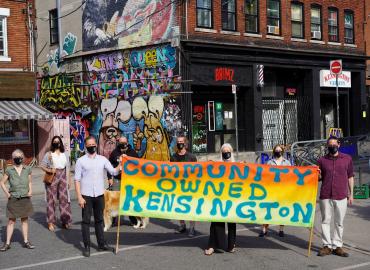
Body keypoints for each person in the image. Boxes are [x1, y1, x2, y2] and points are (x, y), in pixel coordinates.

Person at [74, 136, 122, 257]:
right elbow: (77, 180)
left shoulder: (103, 159)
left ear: (96, 145)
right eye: (89, 145)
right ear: (86, 146)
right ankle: (87, 247)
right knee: (85, 222)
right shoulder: (81, 161)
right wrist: (79, 196)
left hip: (100, 195)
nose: (91, 147)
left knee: (99, 220)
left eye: (93, 144)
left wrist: (122, 163)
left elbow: (114, 171)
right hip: (86, 195)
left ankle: (101, 244)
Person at [317, 136, 354, 257]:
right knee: (325, 221)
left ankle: (337, 246)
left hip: (341, 194)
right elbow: (319, 178)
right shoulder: (322, 160)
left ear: (339, 145)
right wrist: (315, 174)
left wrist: (351, 194)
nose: (332, 147)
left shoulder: (347, 159)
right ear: (327, 146)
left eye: (334, 144)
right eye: (329, 145)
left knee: (339, 222)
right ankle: (327, 246)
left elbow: (350, 176)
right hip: (326, 194)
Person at [204, 143, 236, 255]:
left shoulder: (236, 165)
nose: (226, 153)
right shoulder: (217, 165)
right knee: (216, 220)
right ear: (221, 153)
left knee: (232, 221)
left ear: (231, 152)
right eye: (224, 151)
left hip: (232, 197)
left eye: (228, 151)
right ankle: (212, 245)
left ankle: (231, 245)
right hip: (219, 197)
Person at [0, 149, 35, 251]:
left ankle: (26, 241)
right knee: (11, 221)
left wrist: (30, 191)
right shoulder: (9, 170)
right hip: (13, 198)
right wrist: (7, 194)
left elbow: (29, 182)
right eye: (15, 156)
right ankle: (7, 243)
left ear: (22, 157)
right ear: (13, 158)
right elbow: (2, 182)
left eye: (19, 156)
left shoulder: (27, 169)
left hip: (25, 197)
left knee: (24, 220)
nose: (18, 158)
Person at [40, 136, 72, 232]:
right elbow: (42, 165)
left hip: (63, 176)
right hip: (53, 176)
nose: (56, 143)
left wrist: (69, 180)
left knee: (64, 200)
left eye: (58, 142)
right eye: (54, 142)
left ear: (60, 143)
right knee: (51, 200)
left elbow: (68, 168)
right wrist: (49, 169)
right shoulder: (49, 154)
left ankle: (65, 221)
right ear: (52, 143)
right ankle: (51, 222)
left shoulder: (65, 154)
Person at [259, 144, 291, 237]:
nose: (278, 152)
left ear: (282, 151)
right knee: (268, 209)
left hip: (283, 189)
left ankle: (281, 229)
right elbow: (265, 175)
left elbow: (291, 175)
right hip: (271, 189)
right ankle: (264, 229)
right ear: (274, 151)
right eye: (276, 150)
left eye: (279, 150)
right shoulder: (269, 162)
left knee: (282, 209)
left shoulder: (287, 163)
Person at [107, 135, 138, 226]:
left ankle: (133, 219)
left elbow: (139, 165)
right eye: (121, 143)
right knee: (115, 199)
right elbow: (110, 165)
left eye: (124, 143)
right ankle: (113, 220)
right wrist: (109, 178)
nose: (122, 144)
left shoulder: (132, 152)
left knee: (130, 199)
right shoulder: (114, 152)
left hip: (129, 180)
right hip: (117, 179)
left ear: (127, 142)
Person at [170, 135, 197, 237]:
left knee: (190, 207)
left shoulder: (191, 157)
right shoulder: (173, 157)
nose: (180, 143)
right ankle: (182, 225)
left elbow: (196, 172)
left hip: (189, 186)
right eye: (178, 141)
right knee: (179, 206)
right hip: (178, 185)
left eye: (181, 141)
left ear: (185, 143)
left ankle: (192, 227)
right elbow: (171, 171)